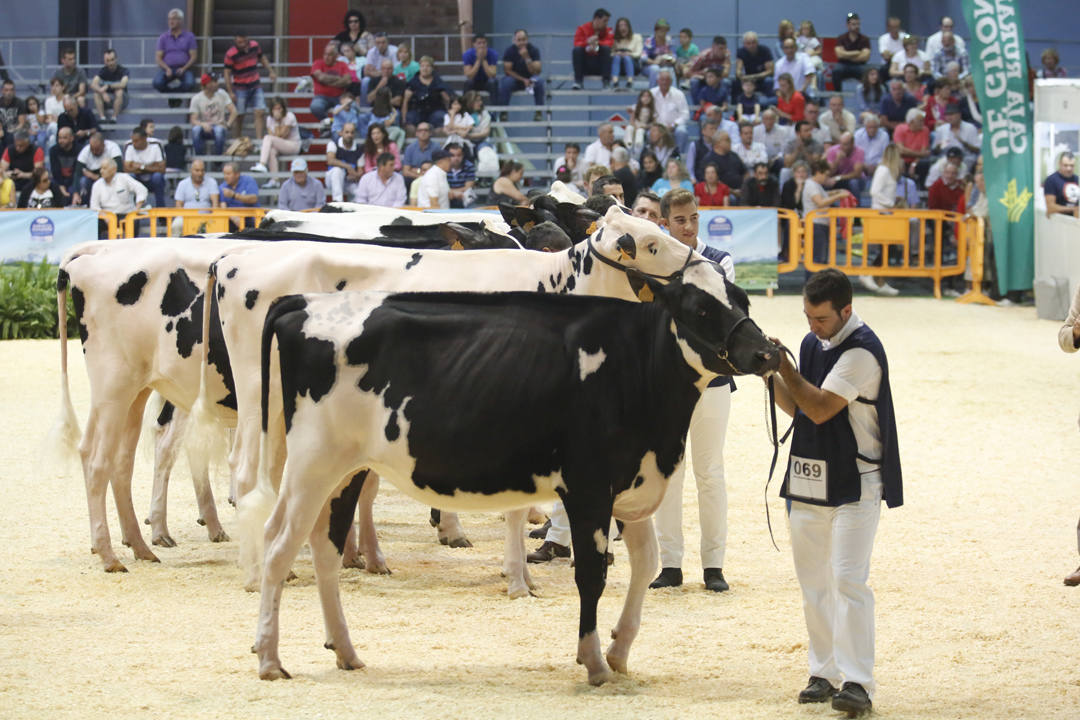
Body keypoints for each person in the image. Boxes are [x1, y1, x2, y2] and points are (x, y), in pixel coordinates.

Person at [770, 268, 902, 718]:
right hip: (812, 475)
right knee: (813, 583)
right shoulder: (812, 344)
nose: (812, 326)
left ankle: (858, 682)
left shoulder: (863, 352)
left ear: (846, 310)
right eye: (807, 316)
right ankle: (823, 672)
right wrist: (768, 375)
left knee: (848, 579)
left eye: (821, 318)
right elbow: (799, 408)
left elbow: (822, 408)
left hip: (858, 480)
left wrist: (785, 368)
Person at [649, 187, 736, 593]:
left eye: (694, 218)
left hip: (713, 380)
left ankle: (714, 564)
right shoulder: (656, 264)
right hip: (668, 386)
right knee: (670, 473)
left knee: (710, 472)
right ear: (665, 222)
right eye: (680, 220)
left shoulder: (720, 262)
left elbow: (718, 324)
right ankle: (670, 564)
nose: (687, 226)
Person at [224, 32, 277, 141]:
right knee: (239, 115)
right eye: (239, 42)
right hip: (240, 87)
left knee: (260, 111)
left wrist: (270, 71)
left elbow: (262, 58)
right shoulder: (231, 54)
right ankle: (237, 140)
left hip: (255, 84)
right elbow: (227, 73)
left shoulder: (254, 46)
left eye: (243, 42)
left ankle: (258, 140)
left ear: (247, 39)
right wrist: (230, 91)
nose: (242, 44)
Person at [803, 159, 852, 262]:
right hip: (816, 225)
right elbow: (820, 202)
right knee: (818, 258)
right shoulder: (811, 185)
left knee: (821, 257)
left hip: (820, 225)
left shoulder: (815, 185)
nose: (826, 178)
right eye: (825, 175)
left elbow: (823, 195)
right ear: (818, 172)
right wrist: (839, 195)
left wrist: (836, 192)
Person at [499, 29, 545, 119]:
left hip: (530, 79)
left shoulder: (534, 50)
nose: (521, 42)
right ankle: (503, 112)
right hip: (516, 79)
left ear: (527, 39)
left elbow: (537, 71)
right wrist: (523, 79)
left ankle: (538, 112)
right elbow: (507, 70)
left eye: (523, 40)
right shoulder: (510, 51)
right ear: (514, 40)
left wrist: (527, 58)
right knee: (505, 82)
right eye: (519, 40)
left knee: (539, 82)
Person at [252, 97, 300, 181]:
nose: (277, 111)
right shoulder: (269, 119)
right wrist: (275, 121)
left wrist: (278, 121)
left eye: (279, 108)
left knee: (267, 138)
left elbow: (282, 135)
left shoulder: (290, 116)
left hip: (293, 145)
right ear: (271, 109)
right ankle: (275, 180)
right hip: (280, 145)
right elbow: (273, 136)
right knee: (271, 151)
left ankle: (262, 164)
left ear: (283, 108)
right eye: (275, 108)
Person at [189, 73, 236, 157]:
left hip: (219, 126)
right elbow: (193, 120)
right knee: (195, 130)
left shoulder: (222, 94)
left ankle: (217, 160)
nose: (217, 83)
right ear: (208, 84)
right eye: (214, 81)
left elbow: (234, 111)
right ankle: (200, 158)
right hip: (204, 127)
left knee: (219, 131)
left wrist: (228, 124)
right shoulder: (196, 98)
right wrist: (203, 124)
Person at [154, 8, 197, 95]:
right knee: (157, 83)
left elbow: (193, 56)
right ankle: (173, 96)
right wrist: (167, 68)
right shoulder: (163, 37)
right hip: (167, 68)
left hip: (184, 68)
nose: (171, 21)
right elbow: (158, 58)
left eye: (174, 18)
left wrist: (184, 68)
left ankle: (175, 96)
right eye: (169, 19)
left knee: (190, 83)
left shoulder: (189, 36)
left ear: (181, 21)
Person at [171, 158, 219, 234]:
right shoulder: (183, 184)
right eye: (197, 170)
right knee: (176, 225)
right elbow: (178, 205)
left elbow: (215, 204)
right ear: (191, 170)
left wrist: (212, 217)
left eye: (202, 170)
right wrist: (186, 218)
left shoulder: (211, 182)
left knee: (216, 225)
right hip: (186, 217)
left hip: (206, 217)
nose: (200, 173)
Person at [122, 127, 166, 208]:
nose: (133, 143)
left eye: (136, 141)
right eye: (133, 140)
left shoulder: (156, 144)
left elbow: (162, 169)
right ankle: (133, 214)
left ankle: (161, 213)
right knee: (130, 176)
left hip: (153, 179)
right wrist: (152, 166)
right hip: (136, 178)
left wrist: (140, 166)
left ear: (145, 139)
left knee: (158, 177)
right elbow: (126, 169)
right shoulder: (129, 145)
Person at [402, 57, 450, 131]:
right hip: (417, 111)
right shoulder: (412, 83)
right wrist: (404, 119)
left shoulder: (438, 82)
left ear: (432, 68)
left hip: (435, 110)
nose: (425, 68)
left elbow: (447, 100)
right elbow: (405, 102)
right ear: (419, 68)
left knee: (441, 117)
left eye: (428, 66)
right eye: (422, 66)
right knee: (410, 119)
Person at [310, 42, 354, 122]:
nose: (326, 57)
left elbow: (348, 81)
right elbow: (321, 77)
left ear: (336, 56)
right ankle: (328, 122)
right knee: (315, 107)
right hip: (321, 97)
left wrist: (326, 81)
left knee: (353, 107)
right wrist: (339, 79)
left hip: (339, 97)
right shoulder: (318, 63)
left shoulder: (342, 64)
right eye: (325, 54)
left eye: (330, 55)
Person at [571, 8, 613, 90]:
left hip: (600, 65)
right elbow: (577, 43)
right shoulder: (582, 28)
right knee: (577, 50)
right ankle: (578, 82)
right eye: (605, 21)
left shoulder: (608, 30)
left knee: (606, 49)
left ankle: (606, 82)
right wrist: (587, 43)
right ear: (596, 19)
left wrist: (597, 44)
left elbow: (610, 42)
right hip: (586, 64)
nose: (606, 24)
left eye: (607, 21)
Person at [650, 71, 690, 155]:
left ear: (671, 82)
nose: (664, 82)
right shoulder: (651, 93)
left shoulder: (678, 94)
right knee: (648, 133)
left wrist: (674, 125)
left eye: (667, 80)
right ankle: (653, 156)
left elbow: (685, 114)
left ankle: (678, 156)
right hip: (657, 126)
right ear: (658, 81)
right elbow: (645, 110)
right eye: (662, 80)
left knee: (682, 132)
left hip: (674, 126)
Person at [75, 131, 122, 201]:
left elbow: (118, 170)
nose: (94, 152)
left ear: (103, 145)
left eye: (97, 149)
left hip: (111, 176)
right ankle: (86, 203)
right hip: (91, 179)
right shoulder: (85, 151)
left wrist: (94, 176)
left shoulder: (113, 148)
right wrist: (76, 193)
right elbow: (77, 174)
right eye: (92, 149)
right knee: (83, 181)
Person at [325, 121, 364, 203]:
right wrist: (348, 167)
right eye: (347, 132)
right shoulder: (333, 144)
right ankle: (338, 202)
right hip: (332, 179)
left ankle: (353, 211)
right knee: (337, 171)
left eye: (352, 133)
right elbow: (330, 160)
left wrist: (355, 175)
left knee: (359, 193)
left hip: (348, 181)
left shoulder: (359, 149)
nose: (349, 135)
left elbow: (360, 171)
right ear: (341, 133)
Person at [934, 104, 980, 168]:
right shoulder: (942, 129)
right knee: (936, 168)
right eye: (947, 115)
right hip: (946, 159)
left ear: (959, 115)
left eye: (952, 114)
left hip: (965, 158)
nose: (949, 117)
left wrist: (964, 143)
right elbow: (935, 151)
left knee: (959, 169)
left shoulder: (970, 128)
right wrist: (939, 146)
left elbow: (977, 149)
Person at [833, 12, 871, 89]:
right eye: (854, 24)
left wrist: (846, 55)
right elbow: (839, 55)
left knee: (867, 72)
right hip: (844, 65)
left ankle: (865, 95)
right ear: (848, 25)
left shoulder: (864, 39)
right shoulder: (841, 38)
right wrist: (857, 52)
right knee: (836, 71)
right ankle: (838, 95)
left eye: (858, 24)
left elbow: (865, 57)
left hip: (859, 65)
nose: (857, 26)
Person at [688, 36, 732, 104]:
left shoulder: (726, 55)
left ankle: (721, 107)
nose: (722, 51)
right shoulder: (703, 55)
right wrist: (703, 73)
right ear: (713, 47)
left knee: (726, 82)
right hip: (703, 78)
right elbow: (689, 72)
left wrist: (713, 73)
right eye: (720, 48)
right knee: (694, 82)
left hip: (718, 78)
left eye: (724, 48)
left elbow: (726, 73)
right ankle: (698, 108)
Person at [90, 49, 128, 123]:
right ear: (104, 61)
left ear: (116, 59)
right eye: (107, 60)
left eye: (112, 60)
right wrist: (102, 92)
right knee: (96, 93)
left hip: (122, 100)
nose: (110, 63)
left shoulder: (123, 70)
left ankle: (114, 118)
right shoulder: (103, 71)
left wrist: (108, 86)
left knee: (119, 91)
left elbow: (123, 84)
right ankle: (102, 118)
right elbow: (93, 84)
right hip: (107, 98)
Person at [825, 131, 866, 200]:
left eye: (845, 144)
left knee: (854, 183)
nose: (842, 147)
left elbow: (857, 174)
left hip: (855, 180)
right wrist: (837, 160)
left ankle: (857, 207)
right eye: (841, 144)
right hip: (837, 179)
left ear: (852, 144)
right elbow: (829, 173)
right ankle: (828, 206)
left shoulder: (859, 151)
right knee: (826, 181)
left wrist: (839, 177)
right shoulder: (832, 150)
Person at [893, 108, 931, 181]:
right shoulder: (900, 128)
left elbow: (924, 151)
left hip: (917, 161)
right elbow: (901, 151)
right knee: (899, 162)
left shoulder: (925, 130)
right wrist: (921, 154)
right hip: (902, 159)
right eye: (920, 121)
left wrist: (914, 164)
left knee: (925, 163)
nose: (923, 123)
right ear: (911, 122)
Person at [218, 162, 258, 229]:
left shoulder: (248, 180)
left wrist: (234, 195)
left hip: (250, 216)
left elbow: (254, 199)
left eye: (228, 174)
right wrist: (232, 216)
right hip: (233, 218)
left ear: (237, 174)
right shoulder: (223, 187)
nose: (225, 177)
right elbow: (223, 206)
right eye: (224, 174)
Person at [736, 31, 774, 99]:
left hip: (762, 79)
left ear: (757, 42)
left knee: (769, 80)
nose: (751, 45)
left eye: (753, 42)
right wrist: (740, 75)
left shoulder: (765, 50)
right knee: (736, 82)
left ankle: (769, 103)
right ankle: (738, 103)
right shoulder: (741, 52)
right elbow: (738, 69)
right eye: (748, 43)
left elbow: (770, 71)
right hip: (749, 80)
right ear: (744, 44)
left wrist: (754, 76)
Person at [610, 17, 643, 90]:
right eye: (620, 26)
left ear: (629, 27)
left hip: (633, 63)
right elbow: (610, 53)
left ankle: (630, 82)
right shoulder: (614, 39)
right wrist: (616, 53)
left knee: (627, 58)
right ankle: (615, 83)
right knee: (616, 57)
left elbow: (638, 53)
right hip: (619, 65)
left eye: (625, 25)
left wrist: (629, 54)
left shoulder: (637, 37)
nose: (623, 28)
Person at [49, 126, 79, 204]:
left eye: (64, 138)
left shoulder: (79, 150)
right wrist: (61, 185)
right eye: (59, 138)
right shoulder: (53, 151)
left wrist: (68, 187)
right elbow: (55, 171)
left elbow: (77, 171)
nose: (61, 141)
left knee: (74, 188)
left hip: (73, 180)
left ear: (72, 138)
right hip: (58, 179)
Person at [361, 33, 397, 98]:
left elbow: (396, 70)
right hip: (376, 78)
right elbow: (366, 72)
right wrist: (382, 73)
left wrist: (376, 71)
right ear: (375, 43)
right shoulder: (371, 52)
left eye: (383, 42)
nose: (381, 45)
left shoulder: (394, 51)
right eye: (378, 43)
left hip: (392, 77)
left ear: (387, 42)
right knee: (365, 81)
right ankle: (365, 106)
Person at [1044, 151, 1079, 217]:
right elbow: (1050, 207)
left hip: (1075, 222)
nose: (1069, 168)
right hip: (1059, 222)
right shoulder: (1051, 180)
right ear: (1059, 164)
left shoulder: (1077, 179)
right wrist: (1074, 209)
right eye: (1065, 165)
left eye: (1072, 165)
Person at [402, 121, 435, 187]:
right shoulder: (410, 148)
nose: (423, 132)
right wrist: (420, 175)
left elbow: (437, 169)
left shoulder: (436, 148)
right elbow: (405, 171)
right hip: (414, 179)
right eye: (420, 130)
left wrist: (416, 170)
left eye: (426, 130)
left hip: (432, 179)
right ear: (416, 133)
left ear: (430, 133)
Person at [445, 142, 476, 208]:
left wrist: (452, 192)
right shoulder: (444, 167)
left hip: (464, 197)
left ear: (463, 155)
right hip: (447, 197)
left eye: (459, 155)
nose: (456, 158)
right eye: (452, 155)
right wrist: (450, 193)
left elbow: (468, 187)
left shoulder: (469, 166)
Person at [0, 80, 26, 152]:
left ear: (14, 91)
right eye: (6, 90)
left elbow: (21, 123)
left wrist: (14, 130)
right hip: (2, 129)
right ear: (2, 91)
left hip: (15, 129)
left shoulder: (20, 103)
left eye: (11, 90)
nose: (9, 92)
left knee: (11, 137)